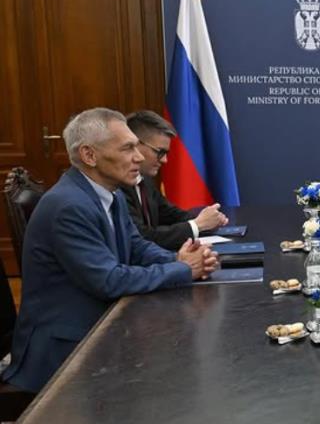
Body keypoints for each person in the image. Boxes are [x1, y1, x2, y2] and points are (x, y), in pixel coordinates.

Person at [2, 108, 219, 393]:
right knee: (180, 376)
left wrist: (179, 259)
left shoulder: (109, 193)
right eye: (128, 148)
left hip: (101, 327)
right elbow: (108, 280)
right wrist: (182, 269)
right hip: (66, 350)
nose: (139, 157)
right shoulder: (68, 206)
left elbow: (137, 247)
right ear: (89, 155)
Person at [122, 111, 229, 250]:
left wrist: (207, 219)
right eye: (159, 152)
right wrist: (197, 225)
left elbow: (169, 214)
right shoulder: (117, 186)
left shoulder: (144, 180)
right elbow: (143, 237)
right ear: (134, 145)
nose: (164, 160)